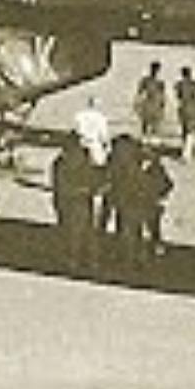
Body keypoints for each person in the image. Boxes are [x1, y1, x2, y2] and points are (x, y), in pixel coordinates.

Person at [49, 141, 101, 271]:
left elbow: (60, 185)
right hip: (76, 200)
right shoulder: (66, 163)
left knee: (77, 231)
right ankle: (85, 260)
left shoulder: (61, 163)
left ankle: (77, 259)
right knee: (81, 231)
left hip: (75, 200)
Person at [102, 134, 146, 260]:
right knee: (133, 227)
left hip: (123, 197)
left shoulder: (115, 160)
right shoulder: (139, 161)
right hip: (135, 198)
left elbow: (109, 179)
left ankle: (126, 255)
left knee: (125, 227)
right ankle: (134, 255)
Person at [131, 146, 174, 261]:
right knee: (139, 228)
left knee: (153, 228)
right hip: (141, 203)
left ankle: (154, 247)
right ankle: (140, 251)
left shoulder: (157, 169)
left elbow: (168, 184)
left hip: (152, 204)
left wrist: (160, 196)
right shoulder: (136, 168)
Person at [72, 95, 112, 167]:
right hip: (94, 143)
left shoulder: (79, 115)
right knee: (102, 162)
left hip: (80, 142)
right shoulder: (101, 117)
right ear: (96, 105)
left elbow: (76, 129)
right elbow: (103, 134)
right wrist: (108, 145)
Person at [133, 61, 167, 139]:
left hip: (156, 102)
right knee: (145, 122)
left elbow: (162, 94)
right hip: (148, 102)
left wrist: (162, 103)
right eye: (154, 69)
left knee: (155, 123)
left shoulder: (160, 82)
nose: (155, 71)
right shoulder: (146, 80)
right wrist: (137, 102)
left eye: (157, 69)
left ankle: (152, 138)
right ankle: (144, 137)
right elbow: (140, 91)